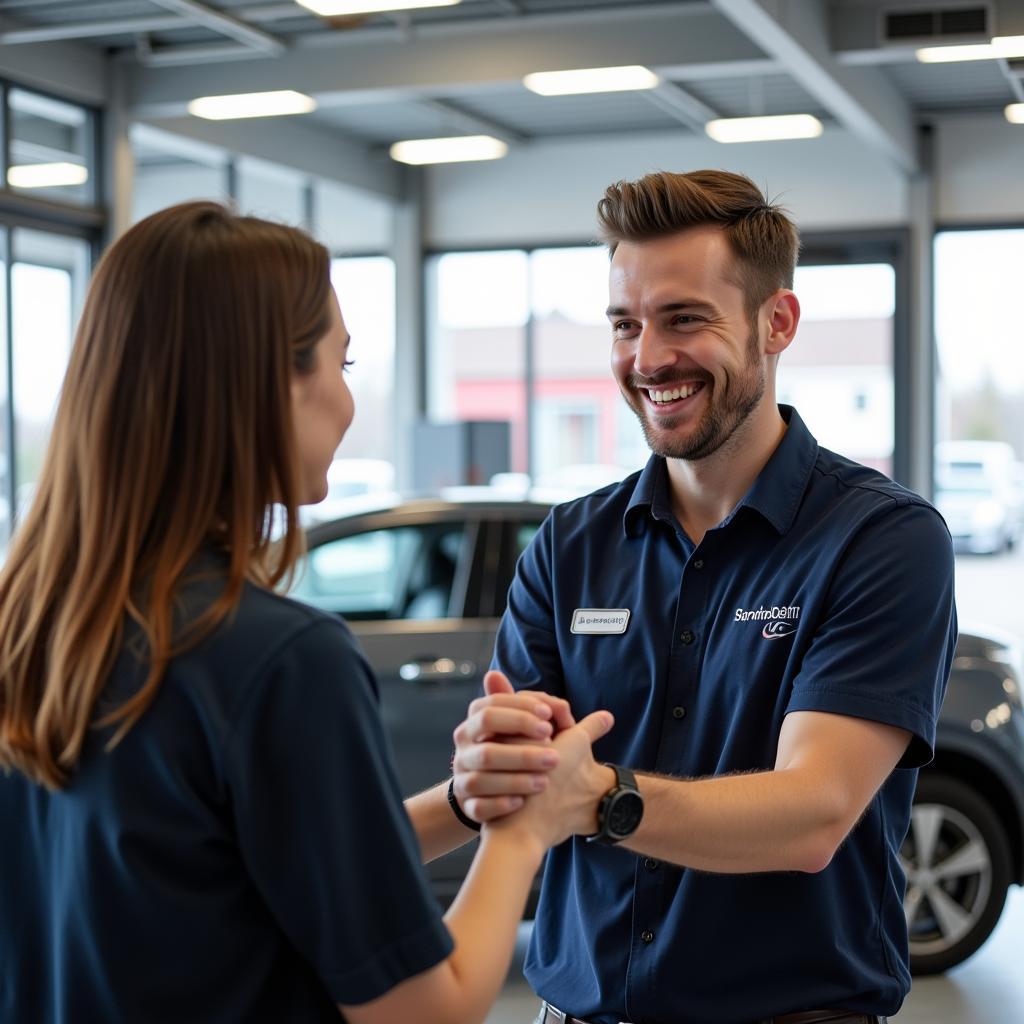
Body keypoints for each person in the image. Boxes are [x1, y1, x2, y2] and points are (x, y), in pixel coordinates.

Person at [0, 201, 614, 1024]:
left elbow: (234, 865)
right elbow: (425, 1011)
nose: (349, 404)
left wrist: (467, 806)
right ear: (265, 384)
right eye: (343, 364)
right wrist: (527, 830)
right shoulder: (280, 659)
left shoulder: (33, 625)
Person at [415, 170, 957, 1024]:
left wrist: (598, 798)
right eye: (626, 325)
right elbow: (524, 784)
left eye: (684, 319)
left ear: (776, 323)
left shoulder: (880, 540)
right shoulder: (568, 547)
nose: (648, 359)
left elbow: (812, 813)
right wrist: (499, 764)